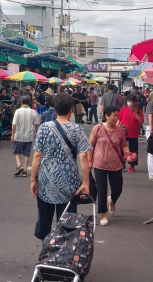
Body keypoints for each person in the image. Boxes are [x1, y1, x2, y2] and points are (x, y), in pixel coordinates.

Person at [31, 93, 92, 240]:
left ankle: (45, 252)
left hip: (45, 180)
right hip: (69, 182)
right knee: (67, 222)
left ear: (55, 109)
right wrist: (86, 182)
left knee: (44, 218)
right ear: (71, 110)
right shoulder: (77, 129)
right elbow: (83, 156)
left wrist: (33, 179)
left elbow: (37, 155)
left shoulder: (44, 128)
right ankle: (63, 255)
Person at [90, 106, 133, 226]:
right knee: (102, 190)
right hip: (100, 163)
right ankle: (103, 213)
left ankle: (112, 200)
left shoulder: (119, 130)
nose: (116, 118)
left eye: (117, 115)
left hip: (116, 165)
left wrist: (128, 154)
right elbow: (90, 145)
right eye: (114, 115)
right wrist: (89, 161)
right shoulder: (97, 128)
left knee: (117, 188)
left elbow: (124, 145)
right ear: (106, 116)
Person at [12, 94, 39, 177]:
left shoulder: (18, 111)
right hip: (29, 136)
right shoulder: (33, 112)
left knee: (17, 152)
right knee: (26, 154)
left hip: (18, 135)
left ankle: (19, 165)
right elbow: (36, 124)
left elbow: (14, 124)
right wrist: (36, 133)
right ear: (30, 102)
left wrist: (12, 134)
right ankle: (25, 171)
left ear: (21, 102)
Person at [118, 95, 142, 172]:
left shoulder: (138, 110)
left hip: (133, 133)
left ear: (135, 103)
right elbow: (119, 119)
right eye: (128, 101)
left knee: (133, 149)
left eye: (131, 101)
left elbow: (141, 121)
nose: (129, 103)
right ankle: (122, 162)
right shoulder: (124, 108)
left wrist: (135, 113)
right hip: (123, 132)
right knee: (121, 149)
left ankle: (132, 165)